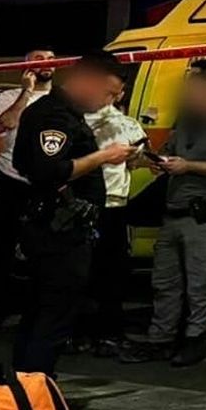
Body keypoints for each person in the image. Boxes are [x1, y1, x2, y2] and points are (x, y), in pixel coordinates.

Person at [9, 51, 138, 374]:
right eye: (106, 92)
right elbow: (50, 170)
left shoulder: (65, 113)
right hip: (57, 230)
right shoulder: (55, 116)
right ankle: (36, 397)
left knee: (42, 314)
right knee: (52, 318)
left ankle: (28, 392)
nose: (107, 101)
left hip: (57, 226)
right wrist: (104, 156)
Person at [121, 65, 206, 367]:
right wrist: (154, 163)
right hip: (175, 214)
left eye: (192, 94)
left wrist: (188, 166)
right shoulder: (188, 124)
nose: (187, 100)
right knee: (165, 281)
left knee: (201, 283)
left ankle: (196, 338)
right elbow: (170, 153)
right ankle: (161, 339)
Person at [0, 48, 57, 329]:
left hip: (45, 183)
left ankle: (36, 313)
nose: (46, 63)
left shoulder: (61, 100)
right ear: (26, 66)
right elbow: (8, 122)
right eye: (39, 59)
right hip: (10, 179)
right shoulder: (10, 97)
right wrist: (27, 92)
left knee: (41, 252)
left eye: (51, 58)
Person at [83, 65, 148, 356]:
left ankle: (107, 333)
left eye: (113, 92)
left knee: (113, 274)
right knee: (85, 273)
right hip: (87, 205)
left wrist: (136, 157)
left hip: (115, 206)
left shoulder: (129, 124)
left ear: (120, 93)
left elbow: (136, 163)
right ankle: (81, 332)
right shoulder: (78, 121)